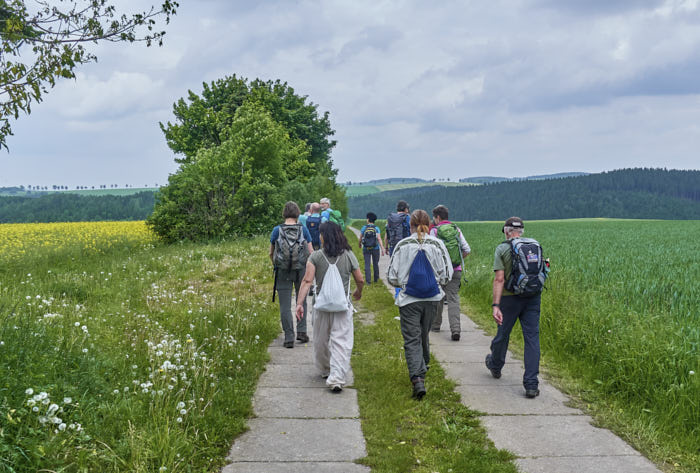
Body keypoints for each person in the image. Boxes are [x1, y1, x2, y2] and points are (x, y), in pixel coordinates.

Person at [387, 209, 453, 399]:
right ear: (429, 224)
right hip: (432, 298)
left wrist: (404, 283)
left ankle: (417, 378)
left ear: (411, 225)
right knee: (423, 333)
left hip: (409, 299)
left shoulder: (403, 244)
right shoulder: (437, 244)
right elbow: (447, 275)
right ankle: (423, 366)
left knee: (411, 338)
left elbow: (392, 276)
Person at [296, 222, 364, 392]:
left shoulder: (316, 257)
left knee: (321, 340)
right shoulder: (348, 255)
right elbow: (360, 279)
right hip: (342, 306)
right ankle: (337, 377)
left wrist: (299, 303)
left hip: (321, 306)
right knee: (341, 341)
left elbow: (307, 281)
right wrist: (358, 291)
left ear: (323, 236)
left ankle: (326, 369)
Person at [485, 217, 542, 398]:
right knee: (532, 339)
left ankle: (495, 365)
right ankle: (531, 384)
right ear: (522, 231)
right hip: (533, 297)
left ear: (506, 231)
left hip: (510, 299)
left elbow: (499, 279)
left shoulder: (502, 248)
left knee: (503, 334)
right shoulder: (535, 245)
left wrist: (496, 305)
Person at [269, 202, 314, 348]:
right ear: (297, 214)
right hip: (301, 269)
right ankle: (301, 332)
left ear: (284, 213)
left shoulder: (277, 230)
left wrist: (277, 264)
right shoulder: (304, 230)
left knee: (285, 305)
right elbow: (311, 252)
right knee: (302, 301)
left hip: (282, 271)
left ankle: (289, 337)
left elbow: (271, 252)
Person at [430, 205, 471, 341]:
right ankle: (455, 329)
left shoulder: (434, 231)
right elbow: (467, 249)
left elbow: (431, 252)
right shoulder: (456, 229)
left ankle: (435, 325)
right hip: (455, 269)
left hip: (440, 271)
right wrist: (457, 260)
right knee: (453, 298)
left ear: (437, 217)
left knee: (438, 296)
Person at [359, 212, 385, 285]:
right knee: (375, 264)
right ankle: (376, 279)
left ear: (368, 219)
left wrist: (359, 244)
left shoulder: (364, 228)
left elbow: (360, 238)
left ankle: (368, 281)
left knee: (367, 264)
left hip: (366, 248)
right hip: (375, 248)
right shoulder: (376, 228)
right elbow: (379, 239)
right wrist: (382, 248)